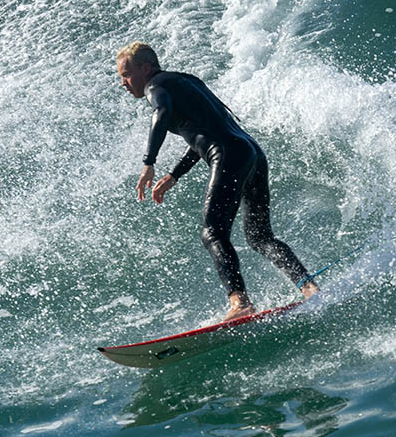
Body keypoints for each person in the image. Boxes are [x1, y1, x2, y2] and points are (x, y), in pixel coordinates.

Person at [116, 42, 319, 320]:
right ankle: (309, 287)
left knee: (212, 232)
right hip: (252, 153)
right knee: (260, 237)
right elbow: (204, 133)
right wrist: (175, 174)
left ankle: (240, 303)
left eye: (126, 75)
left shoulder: (156, 87)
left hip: (229, 155)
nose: (124, 83)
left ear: (146, 68)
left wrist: (148, 162)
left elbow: (161, 114)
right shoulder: (184, 82)